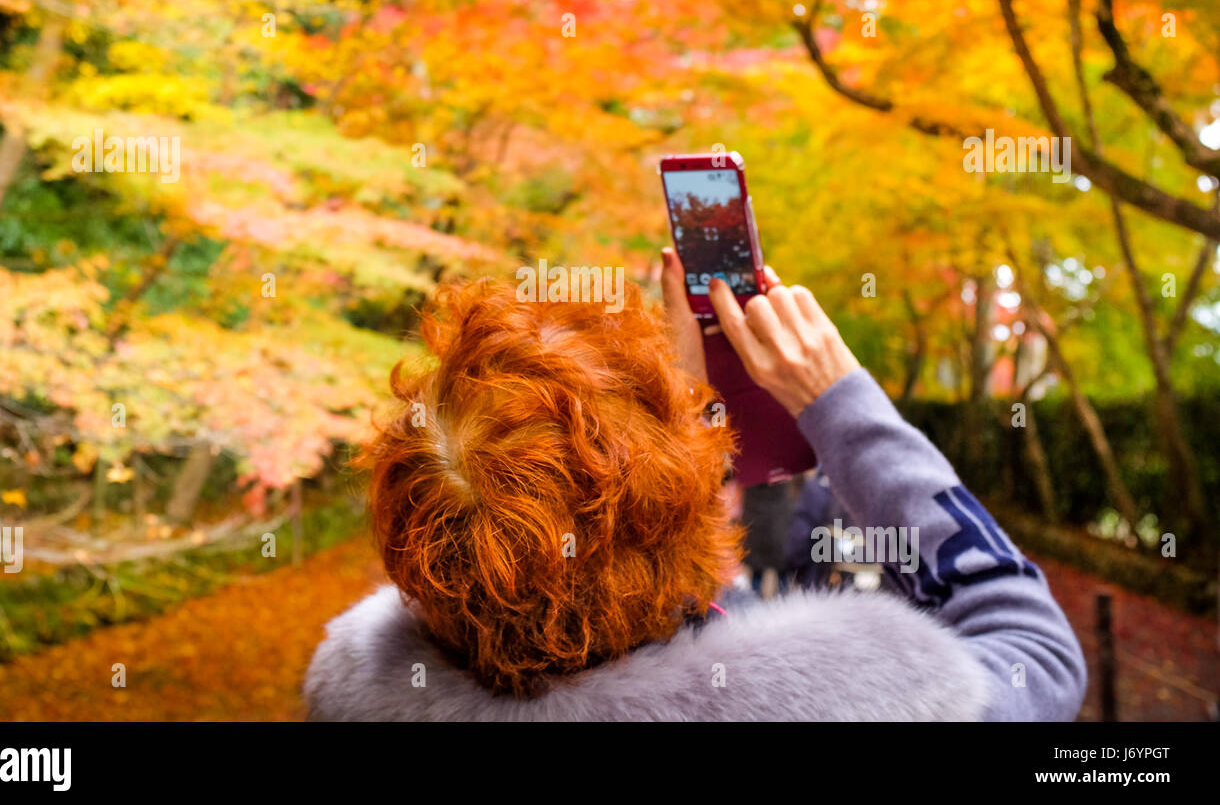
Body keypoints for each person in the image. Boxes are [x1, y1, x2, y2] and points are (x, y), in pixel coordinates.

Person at [304, 253, 1086, 720]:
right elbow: (1039, 658)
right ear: (695, 521)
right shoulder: (855, 700)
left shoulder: (358, 694)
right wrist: (840, 400)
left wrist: (662, 432)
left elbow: (668, 615)